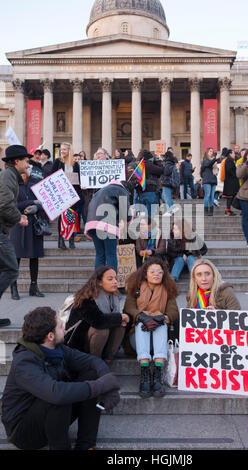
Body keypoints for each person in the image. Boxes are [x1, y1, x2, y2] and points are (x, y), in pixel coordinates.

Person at [1, 307, 120, 450]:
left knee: (91, 375)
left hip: (50, 416)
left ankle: (86, 445)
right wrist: (101, 386)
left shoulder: (56, 348)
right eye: (60, 325)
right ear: (50, 336)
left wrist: (108, 384)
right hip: (24, 432)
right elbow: (56, 394)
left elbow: (92, 362)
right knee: (59, 397)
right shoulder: (25, 362)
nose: (64, 325)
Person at [124, 258, 179, 398]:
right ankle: (145, 373)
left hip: (159, 342)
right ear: (145, 273)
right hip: (137, 338)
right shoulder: (135, 288)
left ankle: (157, 375)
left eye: (160, 272)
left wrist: (161, 318)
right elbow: (128, 308)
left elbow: (173, 312)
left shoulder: (168, 290)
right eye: (152, 271)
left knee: (160, 324)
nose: (156, 274)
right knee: (142, 323)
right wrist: (142, 317)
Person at [66, 266, 131, 362]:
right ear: (100, 282)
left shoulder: (114, 297)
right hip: (80, 343)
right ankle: (95, 361)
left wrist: (123, 319)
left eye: (116, 279)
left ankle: (108, 358)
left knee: (120, 325)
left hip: (102, 342)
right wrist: (121, 317)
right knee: (102, 329)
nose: (115, 282)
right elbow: (98, 321)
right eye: (110, 279)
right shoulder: (87, 298)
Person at [0, 145, 31, 327]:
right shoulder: (7, 177)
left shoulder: (11, 176)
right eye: (26, 161)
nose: (28, 165)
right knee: (11, 268)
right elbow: (3, 204)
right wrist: (18, 218)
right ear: (17, 161)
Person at [9, 169, 46, 300]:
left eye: (25, 173)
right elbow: (12, 204)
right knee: (15, 258)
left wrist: (37, 207)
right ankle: (14, 287)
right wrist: (31, 203)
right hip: (17, 224)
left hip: (33, 224)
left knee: (34, 257)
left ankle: (34, 286)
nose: (23, 176)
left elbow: (43, 202)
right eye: (21, 174)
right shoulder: (13, 186)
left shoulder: (35, 186)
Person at [85, 180, 133, 272]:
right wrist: (130, 218)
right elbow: (125, 214)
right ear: (128, 190)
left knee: (100, 254)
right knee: (111, 254)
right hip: (107, 225)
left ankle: (98, 281)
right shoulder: (122, 191)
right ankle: (112, 280)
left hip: (92, 224)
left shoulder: (100, 190)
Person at [51, 142, 82, 250]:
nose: (62, 151)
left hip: (72, 194)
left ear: (69, 150)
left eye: (64, 149)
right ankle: (61, 240)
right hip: (61, 195)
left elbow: (79, 178)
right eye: (61, 149)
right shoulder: (58, 162)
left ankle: (71, 240)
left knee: (72, 217)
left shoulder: (75, 164)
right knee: (62, 218)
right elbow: (51, 176)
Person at [135, 150, 164, 218]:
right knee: (150, 215)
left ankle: (145, 226)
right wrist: (159, 161)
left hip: (141, 192)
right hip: (150, 191)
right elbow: (161, 170)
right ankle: (150, 227)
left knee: (144, 214)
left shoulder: (139, 165)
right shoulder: (148, 164)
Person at [161, 150, 180, 216]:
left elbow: (166, 172)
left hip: (167, 183)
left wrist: (162, 167)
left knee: (167, 197)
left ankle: (170, 211)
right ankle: (174, 207)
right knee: (163, 197)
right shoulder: (172, 164)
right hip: (171, 183)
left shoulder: (168, 164)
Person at [200, 147, 218, 216]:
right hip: (207, 180)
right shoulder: (205, 160)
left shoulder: (213, 161)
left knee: (212, 196)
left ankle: (211, 211)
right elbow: (208, 164)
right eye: (210, 151)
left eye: (212, 151)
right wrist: (215, 159)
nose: (211, 153)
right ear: (207, 152)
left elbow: (216, 170)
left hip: (213, 179)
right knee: (207, 195)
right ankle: (206, 211)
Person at [222, 149, 239, 216]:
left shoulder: (230, 161)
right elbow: (229, 170)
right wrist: (235, 174)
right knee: (230, 197)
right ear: (230, 154)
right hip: (230, 182)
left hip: (231, 182)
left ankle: (228, 210)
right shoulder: (229, 161)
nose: (234, 155)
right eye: (233, 153)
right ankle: (227, 210)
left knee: (231, 197)